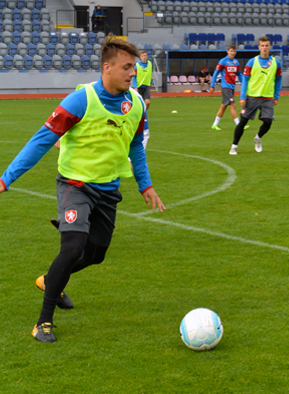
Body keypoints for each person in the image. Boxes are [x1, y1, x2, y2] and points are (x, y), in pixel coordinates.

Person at [0, 36, 165, 342]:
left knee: (95, 255)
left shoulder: (137, 104)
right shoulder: (81, 100)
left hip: (108, 191)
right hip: (74, 185)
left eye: (135, 67)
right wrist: (6, 179)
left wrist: (146, 186)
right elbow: (42, 140)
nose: (134, 73)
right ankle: (43, 322)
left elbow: (136, 148)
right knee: (73, 247)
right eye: (127, 67)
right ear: (107, 67)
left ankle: (50, 280)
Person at [229, 36, 282, 155]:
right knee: (243, 122)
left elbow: (278, 80)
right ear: (259, 47)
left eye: (266, 45)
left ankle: (258, 138)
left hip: (267, 98)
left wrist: (276, 96)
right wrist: (242, 97)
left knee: (268, 121)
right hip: (252, 96)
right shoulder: (252, 62)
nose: (264, 48)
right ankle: (234, 146)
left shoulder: (276, 63)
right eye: (262, 46)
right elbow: (245, 80)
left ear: (270, 47)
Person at [210, 45, 243, 131]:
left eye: (234, 51)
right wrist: (212, 85)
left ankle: (215, 124)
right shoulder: (223, 61)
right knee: (233, 105)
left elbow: (239, 74)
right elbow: (216, 73)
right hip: (225, 86)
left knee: (223, 106)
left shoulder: (236, 62)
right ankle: (239, 125)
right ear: (227, 51)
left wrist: (244, 83)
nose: (232, 53)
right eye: (231, 51)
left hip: (232, 87)